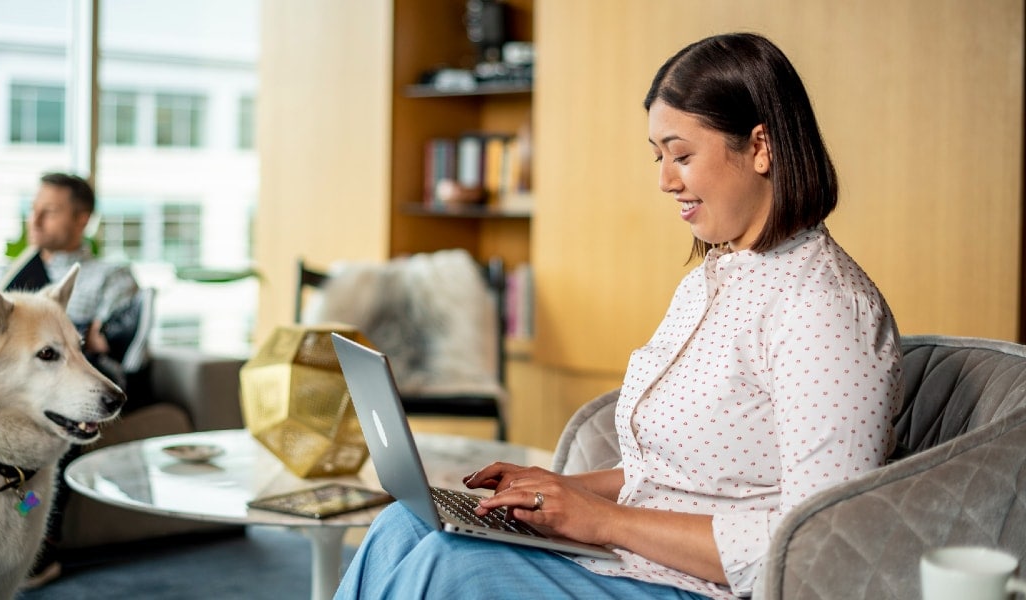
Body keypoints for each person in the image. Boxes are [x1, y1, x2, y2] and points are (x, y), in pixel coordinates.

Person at [335, 32, 903, 600]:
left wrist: (600, 521)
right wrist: (555, 492)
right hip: (633, 559)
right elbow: (670, 482)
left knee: (446, 563)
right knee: (403, 524)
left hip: (705, 588)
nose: (665, 179)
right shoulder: (716, 278)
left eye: (682, 155)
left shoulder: (824, 309)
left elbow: (821, 542)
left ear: (761, 146)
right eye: (659, 157)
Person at [0, 172, 141, 587]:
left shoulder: (109, 274)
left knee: (62, 417)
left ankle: (42, 541)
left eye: (48, 212)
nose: (35, 221)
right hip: (20, 372)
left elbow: (118, 337)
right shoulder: (7, 272)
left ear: (81, 219)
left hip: (87, 366)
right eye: (33, 211)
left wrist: (70, 332)